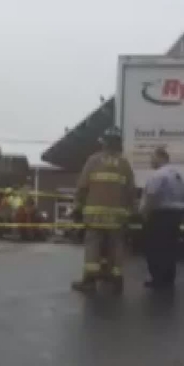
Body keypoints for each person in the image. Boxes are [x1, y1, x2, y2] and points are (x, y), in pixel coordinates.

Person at [72, 126, 135, 295]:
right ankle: (116, 280)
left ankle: (90, 281)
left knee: (93, 245)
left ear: (105, 143)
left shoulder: (93, 161)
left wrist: (77, 206)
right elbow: (131, 191)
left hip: (95, 216)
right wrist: (133, 213)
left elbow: (82, 186)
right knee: (116, 246)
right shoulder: (124, 164)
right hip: (117, 217)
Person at [139, 147, 184, 289]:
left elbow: (152, 196)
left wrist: (145, 212)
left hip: (160, 215)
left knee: (155, 248)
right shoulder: (176, 174)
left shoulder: (159, 175)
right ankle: (168, 278)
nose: (151, 161)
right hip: (175, 215)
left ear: (161, 158)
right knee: (169, 248)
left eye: (153, 157)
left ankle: (157, 279)